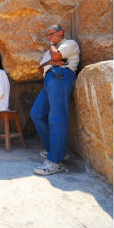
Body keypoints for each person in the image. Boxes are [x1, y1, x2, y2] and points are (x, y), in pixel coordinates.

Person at [30, 25, 80, 175]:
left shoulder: (70, 43)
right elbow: (41, 68)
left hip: (62, 76)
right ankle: (57, 150)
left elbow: (57, 57)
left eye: (51, 34)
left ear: (60, 33)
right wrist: (51, 61)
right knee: (36, 114)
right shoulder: (49, 52)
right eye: (47, 36)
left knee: (57, 117)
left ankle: (54, 161)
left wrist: (53, 47)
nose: (49, 37)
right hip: (49, 79)